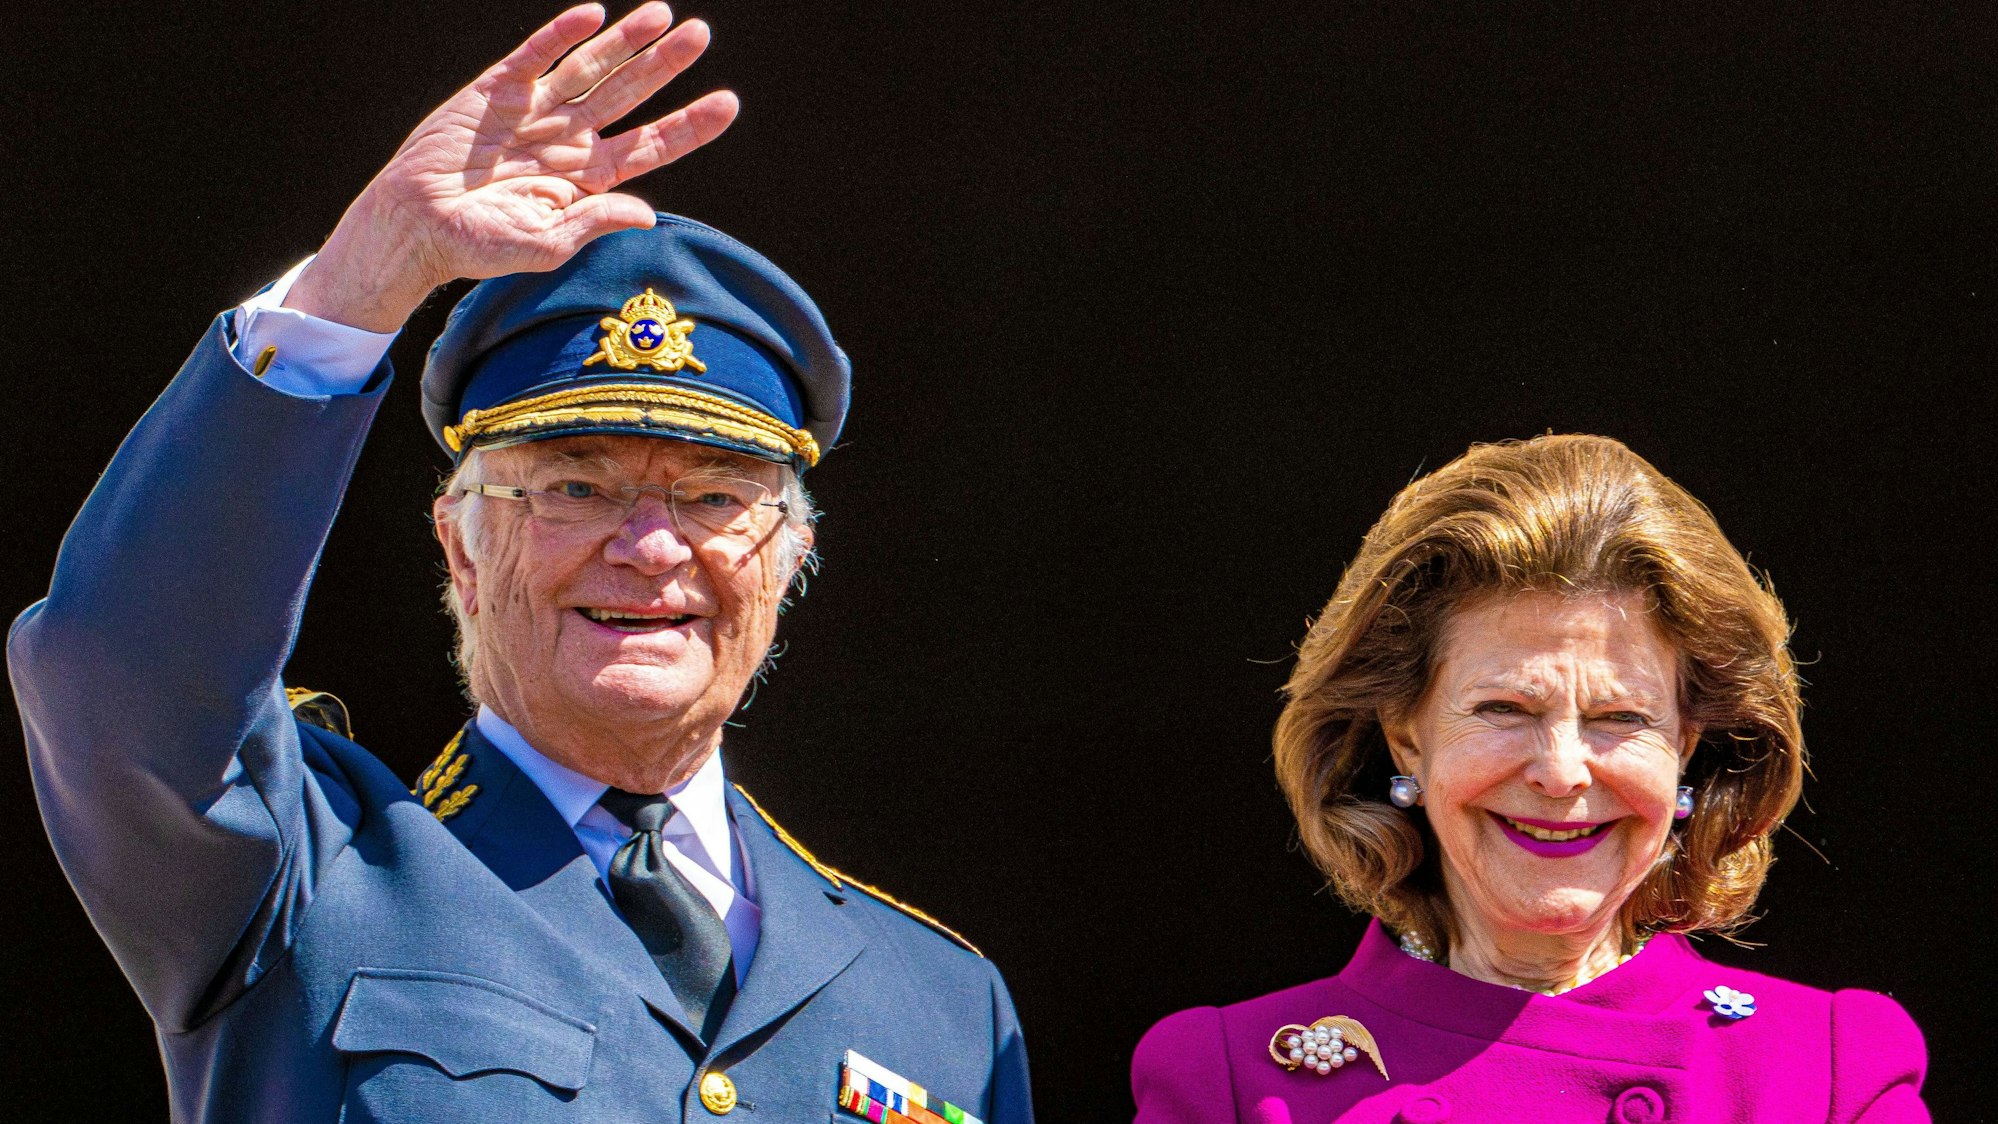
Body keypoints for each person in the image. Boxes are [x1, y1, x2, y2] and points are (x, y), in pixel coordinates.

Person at [8, 5, 1032, 1122]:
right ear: (461, 543)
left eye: (714, 498)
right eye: (575, 488)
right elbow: (122, 668)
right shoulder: (302, 872)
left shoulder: (943, 1004)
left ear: (789, 559)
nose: (649, 547)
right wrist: (364, 278)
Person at [1131, 435, 1926, 1123]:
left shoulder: (1826, 1074)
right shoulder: (1231, 1084)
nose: (1560, 772)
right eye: (1506, 707)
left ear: (1689, 744)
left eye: (1622, 718)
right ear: (1406, 738)